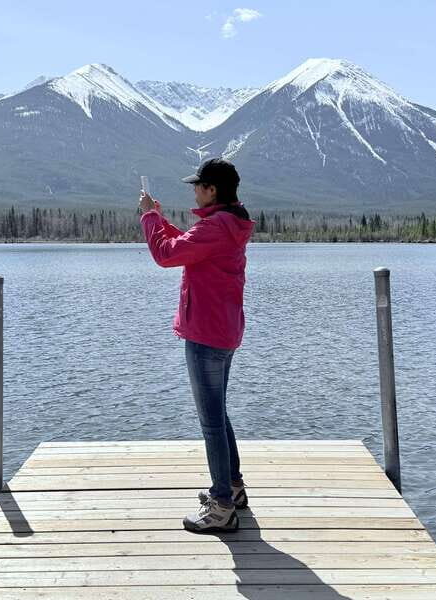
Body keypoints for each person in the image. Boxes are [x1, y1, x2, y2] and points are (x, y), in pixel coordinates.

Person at [138, 158, 255, 533]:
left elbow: (166, 254)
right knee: (218, 414)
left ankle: (221, 506)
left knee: (210, 422)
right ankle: (232, 487)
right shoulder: (228, 225)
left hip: (206, 335)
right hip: (223, 331)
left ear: (213, 190)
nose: (193, 190)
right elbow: (186, 246)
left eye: (198, 185)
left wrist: (149, 219)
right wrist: (161, 220)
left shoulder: (215, 227)